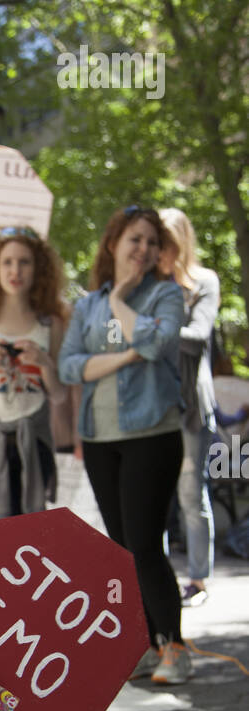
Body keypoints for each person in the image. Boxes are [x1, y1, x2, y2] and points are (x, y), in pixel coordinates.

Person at [58, 206, 189, 684]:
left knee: (145, 544)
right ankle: (146, 645)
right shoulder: (87, 305)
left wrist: (124, 300)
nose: (144, 250)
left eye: (152, 242)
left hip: (151, 435)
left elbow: (158, 344)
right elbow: (69, 366)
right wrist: (126, 354)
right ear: (113, 243)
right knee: (120, 549)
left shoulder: (165, 294)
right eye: (135, 239)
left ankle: (173, 646)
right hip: (99, 438)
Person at [0, 227, 69, 518]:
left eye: (24, 261)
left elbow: (60, 394)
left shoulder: (50, 323)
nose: (16, 270)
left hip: (34, 440)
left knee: (30, 524)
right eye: (7, 262)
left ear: (38, 268)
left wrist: (43, 363)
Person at [158, 209, 221, 607]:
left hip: (191, 407)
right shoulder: (146, 286)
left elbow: (196, 338)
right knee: (153, 500)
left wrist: (147, 330)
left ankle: (198, 580)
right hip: (153, 407)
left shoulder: (204, 282)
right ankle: (157, 582)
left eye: (162, 241)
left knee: (189, 496)